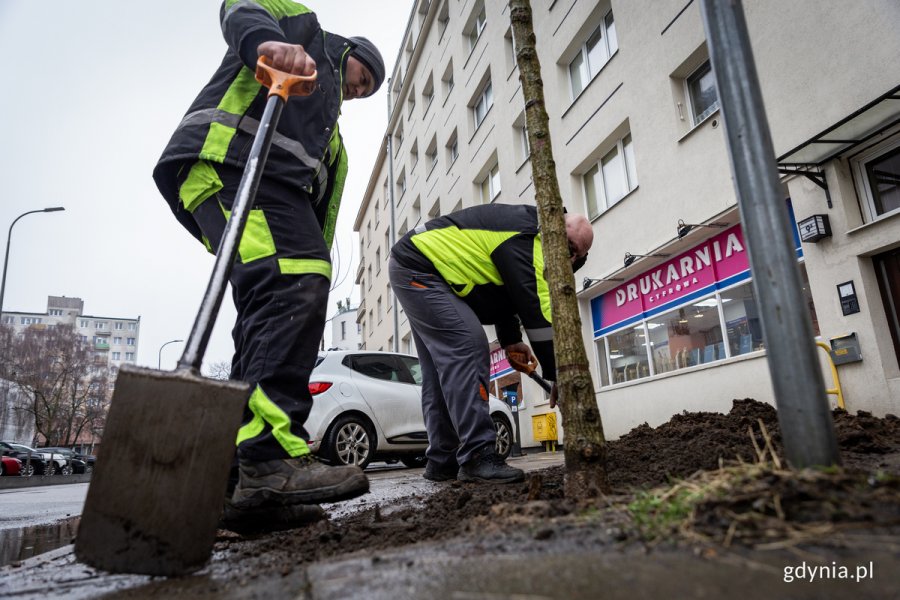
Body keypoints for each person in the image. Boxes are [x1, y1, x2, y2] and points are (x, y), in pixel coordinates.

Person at [152, 1, 385, 531]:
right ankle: (268, 458)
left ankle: (240, 487)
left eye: (366, 91)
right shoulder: (303, 31)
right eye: (361, 77)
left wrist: (311, 282)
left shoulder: (332, 142)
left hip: (265, 192)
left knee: (275, 303)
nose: (358, 90)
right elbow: (242, 4)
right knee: (292, 281)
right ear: (350, 53)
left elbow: (315, 229)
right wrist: (265, 42)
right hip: (227, 164)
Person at [389, 203, 593, 483]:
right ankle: (477, 455)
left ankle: (443, 459)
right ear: (557, 228)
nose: (569, 260)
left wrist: (511, 340)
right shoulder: (530, 238)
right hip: (423, 269)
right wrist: (560, 375)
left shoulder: (523, 229)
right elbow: (538, 313)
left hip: (419, 267)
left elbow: (506, 290)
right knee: (468, 347)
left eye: (578, 257)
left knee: (439, 375)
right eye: (569, 249)